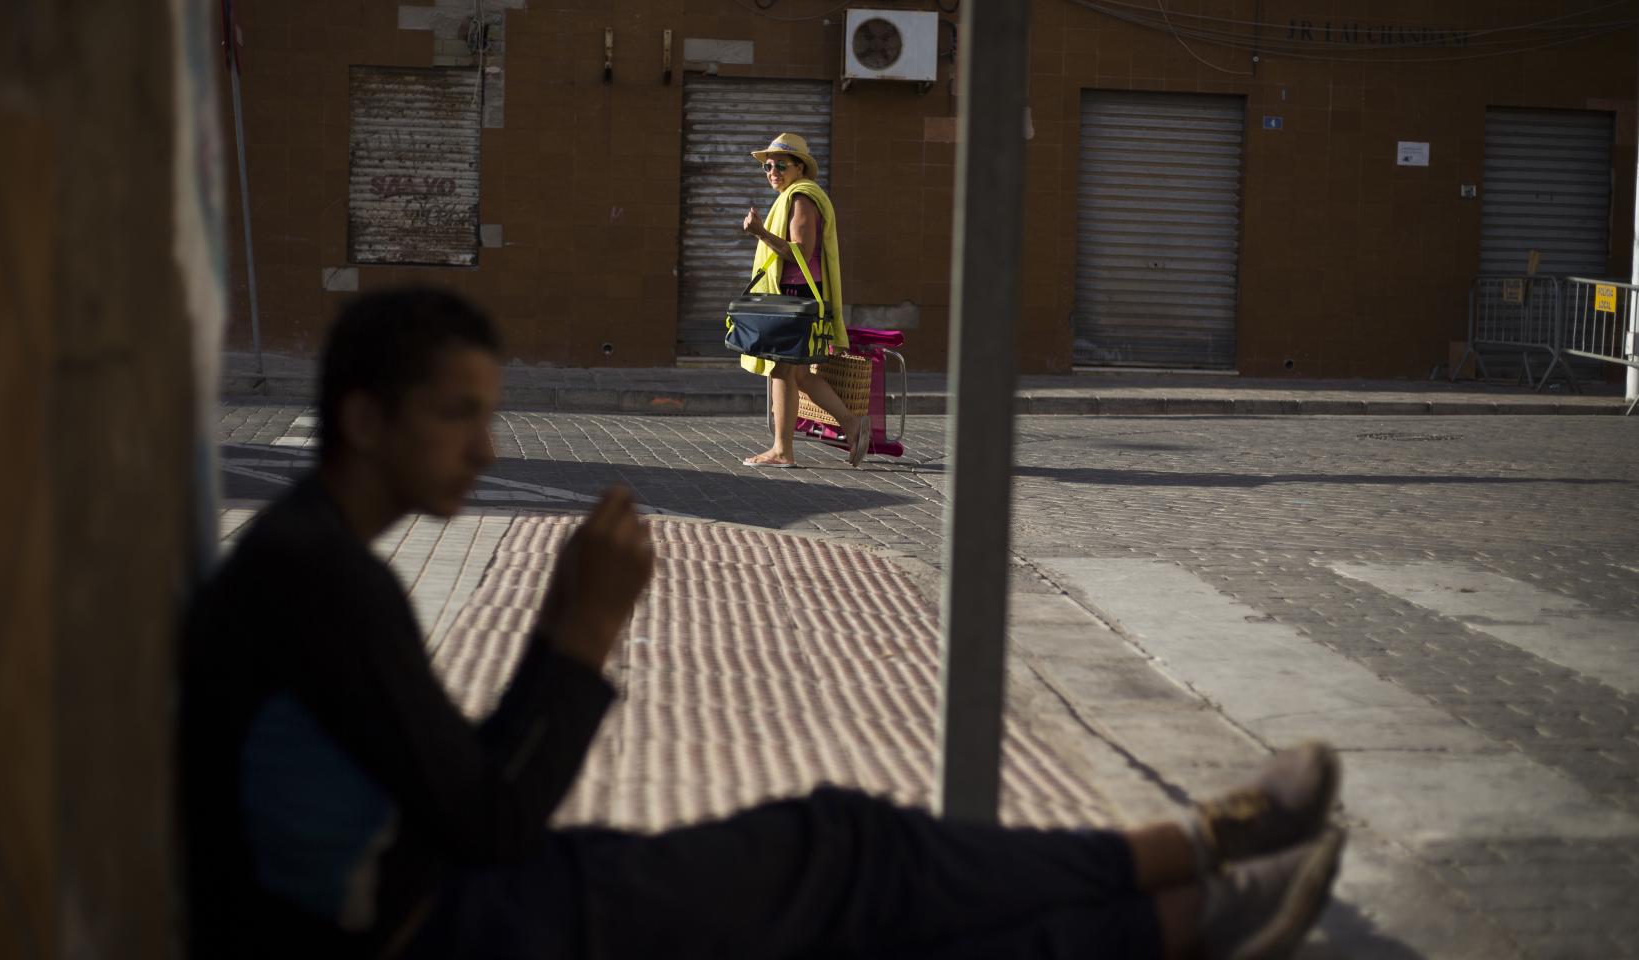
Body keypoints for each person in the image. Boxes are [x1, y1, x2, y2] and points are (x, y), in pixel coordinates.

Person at [179, 287, 1348, 959]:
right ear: (367, 419)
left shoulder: (310, 564)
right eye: (456, 416)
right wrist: (580, 636)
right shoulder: (315, 582)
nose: (486, 450)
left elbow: (459, 800)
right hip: (439, 929)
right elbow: (486, 817)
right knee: (839, 857)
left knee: (851, 870)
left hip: (445, 898)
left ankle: (1179, 888)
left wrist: (565, 641)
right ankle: (1180, 896)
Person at [736, 132, 870, 469]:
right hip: (795, 298)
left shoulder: (802, 199)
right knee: (799, 375)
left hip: (797, 298)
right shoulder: (793, 196)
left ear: (800, 168)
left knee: (782, 372)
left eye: (781, 165)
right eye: (767, 166)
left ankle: (782, 450)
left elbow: (800, 253)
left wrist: (761, 233)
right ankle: (852, 423)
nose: (773, 172)